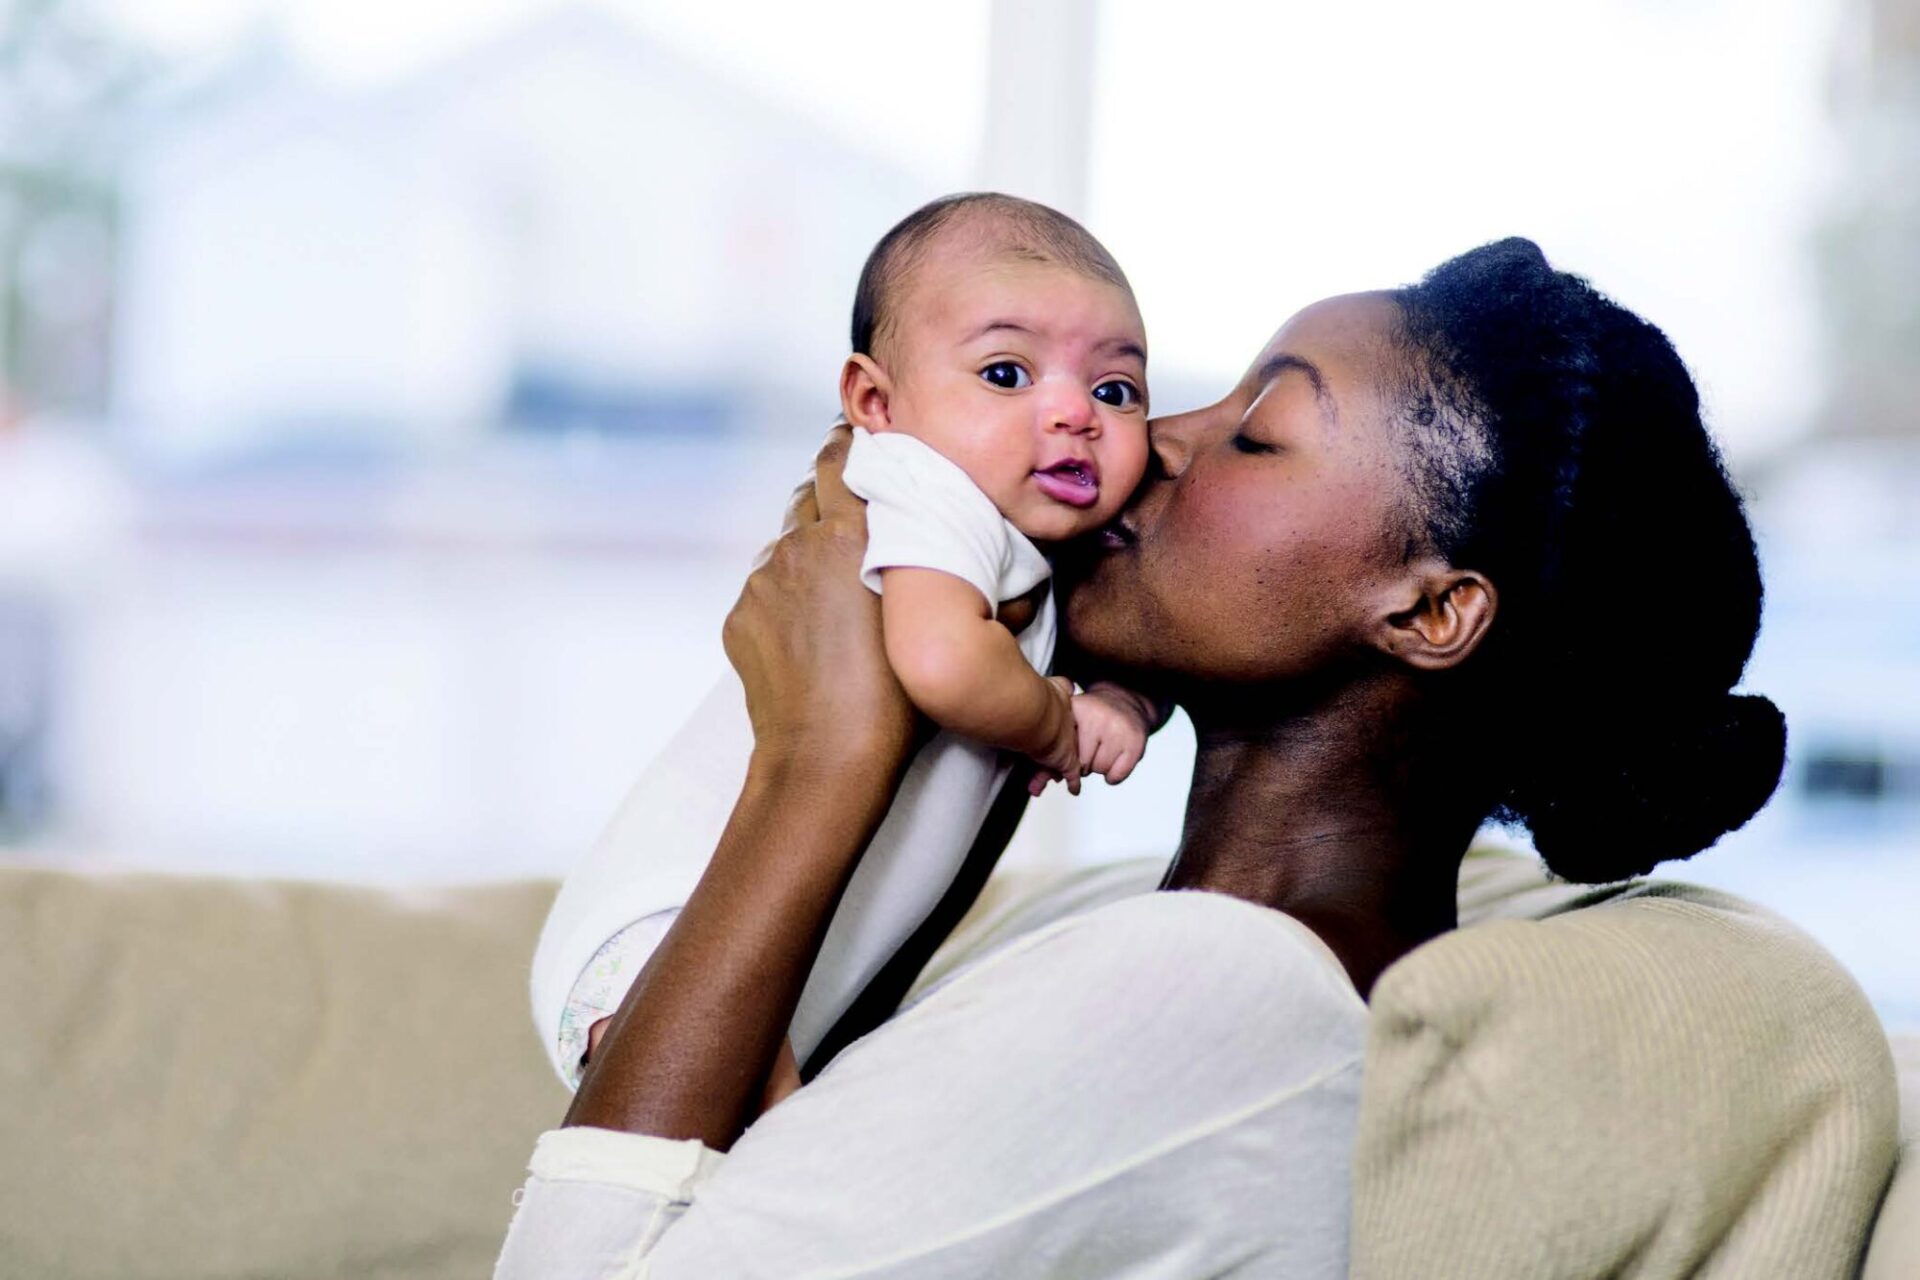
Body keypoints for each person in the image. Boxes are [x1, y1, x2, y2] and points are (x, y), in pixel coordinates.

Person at [495, 238, 1787, 1278]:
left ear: (1430, 611)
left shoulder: (1222, 990)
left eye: (1258, 431)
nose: (1154, 437)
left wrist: (815, 764)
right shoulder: (1162, 925)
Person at [530, 194, 1169, 1094]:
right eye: (1005, 373)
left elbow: (1122, 653)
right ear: (876, 401)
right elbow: (944, 661)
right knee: (761, 1172)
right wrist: (1062, 727)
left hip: (768, 951)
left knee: (756, 1172)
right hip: (663, 931)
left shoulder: (1024, 543)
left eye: (1115, 390)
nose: (1074, 413)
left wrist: (1128, 702)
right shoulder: (924, 488)